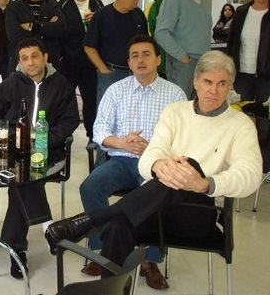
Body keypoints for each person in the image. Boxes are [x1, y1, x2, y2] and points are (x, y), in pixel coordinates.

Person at [46, 50, 262, 276]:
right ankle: (109, 288)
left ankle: (90, 221)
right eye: (208, 82)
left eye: (222, 84)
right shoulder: (175, 112)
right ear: (196, 82)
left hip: (198, 215)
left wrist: (205, 183)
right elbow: (151, 154)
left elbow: (251, 174)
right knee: (119, 225)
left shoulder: (240, 124)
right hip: (158, 211)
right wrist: (158, 165)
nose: (213, 90)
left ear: (230, 86)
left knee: (189, 165)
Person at [79, 35, 186, 289]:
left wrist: (155, 148)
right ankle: (103, 251)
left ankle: (150, 260)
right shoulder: (116, 90)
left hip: (156, 164)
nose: (140, 60)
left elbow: (183, 137)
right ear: (128, 63)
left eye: (146, 54)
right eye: (134, 56)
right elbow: (99, 129)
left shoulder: (175, 94)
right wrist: (121, 143)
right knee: (89, 187)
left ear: (158, 59)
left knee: (155, 196)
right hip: (121, 160)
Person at [0, 38, 80, 279]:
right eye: (24, 58)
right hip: (12, 151)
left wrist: (46, 139)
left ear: (45, 57)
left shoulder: (61, 85)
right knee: (23, 179)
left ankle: (16, 249)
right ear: (19, 61)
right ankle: (48, 227)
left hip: (48, 152)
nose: (30, 63)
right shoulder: (10, 84)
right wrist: (11, 136)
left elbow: (69, 120)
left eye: (35, 56)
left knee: (22, 181)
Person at [227, 0, 270, 173]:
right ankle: (241, 162)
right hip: (242, 73)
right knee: (240, 117)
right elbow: (232, 42)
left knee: (264, 120)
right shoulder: (242, 12)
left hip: (265, 76)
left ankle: (264, 165)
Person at [84, 0, 148, 106]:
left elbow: (146, 43)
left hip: (136, 73)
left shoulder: (139, 15)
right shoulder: (102, 15)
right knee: (108, 111)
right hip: (111, 73)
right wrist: (103, 70)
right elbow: (89, 47)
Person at [155, 0, 212, 98]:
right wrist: (182, 56)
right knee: (180, 104)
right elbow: (161, 33)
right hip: (183, 63)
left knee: (197, 106)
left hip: (203, 63)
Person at [58, 0, 105, 142]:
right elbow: (58, 32)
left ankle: (93, 136)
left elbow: (105, 30)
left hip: (91, 63)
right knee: (65, 100)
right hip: (68, 62)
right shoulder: (62, 5)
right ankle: (64, 135)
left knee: (91, 101)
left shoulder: (98, 4)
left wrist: (97, 20)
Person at [5, 0, 66, 72]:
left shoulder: (52, 4)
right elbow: (15, 36)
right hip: (23, 65)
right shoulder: (13, 7)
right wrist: (47, 27)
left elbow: (61, 28)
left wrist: (32, 27)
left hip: (50, 63)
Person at [145, 0, 185, 77]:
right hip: (161, 57)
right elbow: (150, 32)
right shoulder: (156, 5)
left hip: (181, 58)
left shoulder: (188, 6)